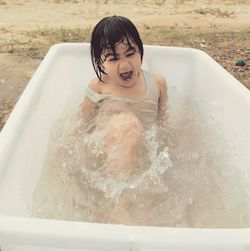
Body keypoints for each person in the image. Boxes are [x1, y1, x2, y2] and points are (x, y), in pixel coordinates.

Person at [80, 15, 168, 178]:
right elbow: (83, 124)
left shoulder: (157, 83)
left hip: (143, 146)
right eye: (113, 58)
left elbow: (163, 121)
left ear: (140, 51)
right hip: (110, 147)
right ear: (100, 63)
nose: (125, 65)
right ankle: (121, 196)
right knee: (127, 125)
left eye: (130, 53)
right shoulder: (99, 88)